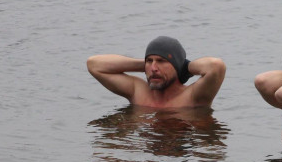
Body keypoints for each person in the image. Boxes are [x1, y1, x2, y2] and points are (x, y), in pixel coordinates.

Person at [86, 36, 226, 109]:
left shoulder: (193, 96)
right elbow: (94, 64)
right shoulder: (137, 92)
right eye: (150, 60)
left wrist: (184, 66)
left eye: (161, 61)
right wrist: (146, 65)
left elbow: (216, 66)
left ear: (177, 66)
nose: (153, 68)